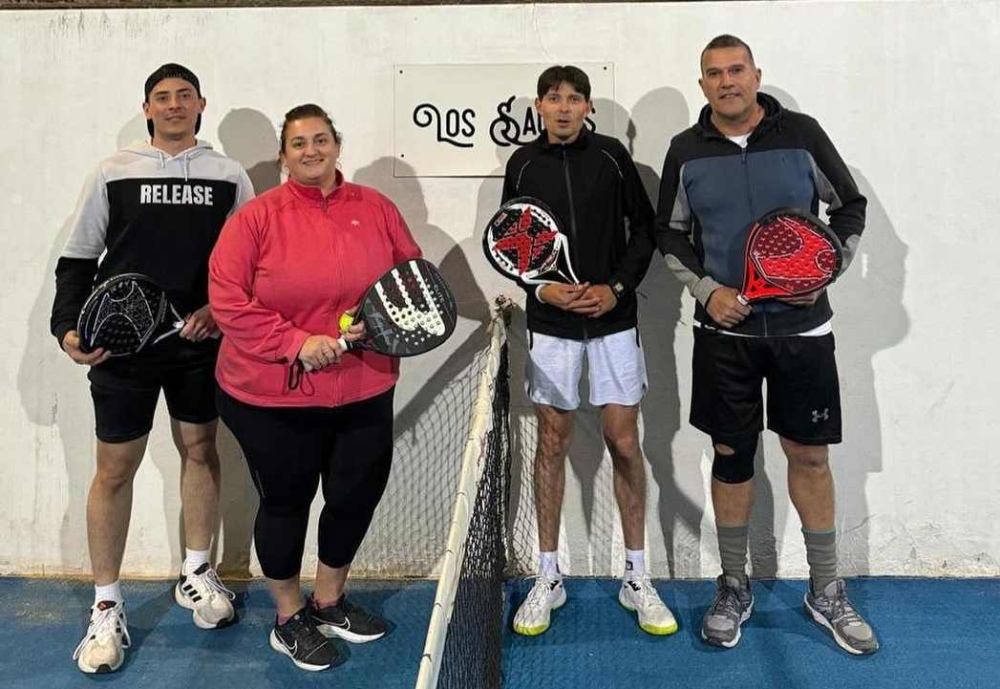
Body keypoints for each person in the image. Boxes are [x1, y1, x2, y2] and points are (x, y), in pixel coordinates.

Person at [655, 34, 878, 655]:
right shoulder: (684, 150)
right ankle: (733, 586)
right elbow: (667, 233)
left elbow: (849, 208)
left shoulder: (802, 134)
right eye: (713, 74)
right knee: (732, 458)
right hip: (722, 334)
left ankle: (826, 590)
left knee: (809, 457)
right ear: (702, 85)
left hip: (802, 333)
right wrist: (706, 291)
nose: (726, 81)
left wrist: (824, 272)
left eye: (736, 69)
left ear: (756, 74)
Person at [50, 63, 254, 674]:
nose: (172, 106)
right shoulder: (113, 171)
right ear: (146, 109)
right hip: (124, 351)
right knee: (114, 471)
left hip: (198, 342)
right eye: (161, 98)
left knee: (200, 449)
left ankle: (197, 572)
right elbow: (77, 259)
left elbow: (248, 259)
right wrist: (66, 329)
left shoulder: (228, 174)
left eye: (183, 96)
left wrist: (220, 308)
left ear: (201, 104)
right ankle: (106, 607)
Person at [209, 104, 422, 672]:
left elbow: (411, 281)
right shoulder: (255, 218)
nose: (311, 151)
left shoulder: (376, 209)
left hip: (364, 387)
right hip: (272, 395)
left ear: (336, 145)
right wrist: (296, 342)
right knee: (286, 502)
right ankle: (287, 617)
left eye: (321, 139)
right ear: (283, 155)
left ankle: (328, 602)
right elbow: (229, 299)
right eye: (299, 143)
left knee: (355, 495)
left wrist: (375, 320)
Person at [503, 66, 673, 637]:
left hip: (614, 323)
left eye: (574, 99)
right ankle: (548, 576)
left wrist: (616, 289)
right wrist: (542, 287)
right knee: (551, 442)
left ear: (588, 106)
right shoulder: (522, 164)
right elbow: (511, 243)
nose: (564, 108)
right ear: (539, 106)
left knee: (624, 440)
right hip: (550, 326)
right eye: (554, 99)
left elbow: (645, 231)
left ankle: (636, 575)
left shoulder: (612, 159)